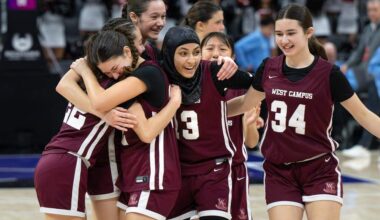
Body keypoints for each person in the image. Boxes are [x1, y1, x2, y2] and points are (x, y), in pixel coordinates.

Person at [227, 4, 380, 220]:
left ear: (309, 33)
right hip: (279, 171)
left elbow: (363, 115)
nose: (284, 40)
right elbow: (244, 103)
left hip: (319, 168)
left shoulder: (329, 74)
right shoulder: (268, 68)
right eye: (279, 34)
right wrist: (212, 111)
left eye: (291, 33)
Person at [70, 26, 183, 220]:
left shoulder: (148, 72)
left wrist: (85, 71)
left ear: (127, 51)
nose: (114, 75)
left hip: (154, 173)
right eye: (108, 73)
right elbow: (63, 86)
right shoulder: (126, 79)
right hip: (133, 171)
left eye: (114, 69)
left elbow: (146, 133)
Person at [55, 19, 143, 220]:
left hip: (113, 152)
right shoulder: (103, 61)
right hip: (93, 151)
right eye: (138, 42)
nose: (142, 47)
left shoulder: (139, 65)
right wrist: (103, 113)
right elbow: (63, 85)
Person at [161, 26, 252, 220]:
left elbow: (258, 85)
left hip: (217, 168)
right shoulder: (159, 76)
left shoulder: (215, 72)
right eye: (184, 53)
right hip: (177, 170)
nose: (191, 59)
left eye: (195, 53)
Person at [201, 31, 262, 220]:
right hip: (202, 171)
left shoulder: (243, 88)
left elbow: (252, 143)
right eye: (209, 48)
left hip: (235, 170)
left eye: (223, 49)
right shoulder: (192, 85)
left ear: (233, 57)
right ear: (200, 53)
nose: (216, 53)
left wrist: (250, 123)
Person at [339, 0, 380, 157]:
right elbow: (358, 52)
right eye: (370, 10)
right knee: (337, 79)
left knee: (371, 88)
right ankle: (340, 136)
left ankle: (364, 143)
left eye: (375, 10)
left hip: (372, 74)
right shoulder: (368, 29)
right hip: (361, 70)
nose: (372, 13)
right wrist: (347, 65)